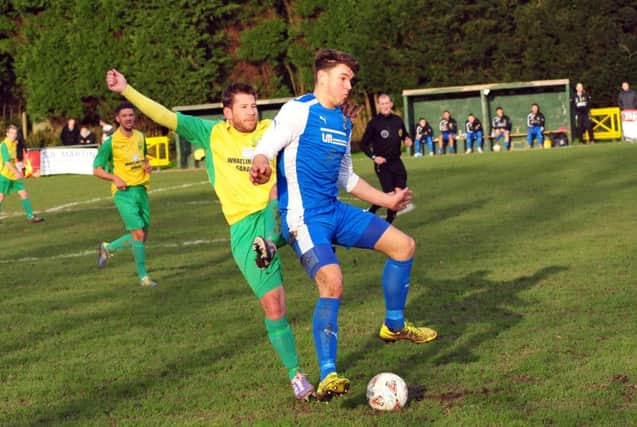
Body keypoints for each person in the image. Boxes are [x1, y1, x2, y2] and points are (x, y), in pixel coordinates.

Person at [104, 69, 315, 401]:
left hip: (279, 213)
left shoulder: (270, 131)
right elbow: (164, 115)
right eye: (244, 107)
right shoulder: (211, 134)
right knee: (274, 305)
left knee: (284, 198)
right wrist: (127, 89)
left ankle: (277, 240)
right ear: (227, 112)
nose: (252, 111)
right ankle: (296, 375)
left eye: (254, 105)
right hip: (245, 228)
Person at [250, 48, 437, 402]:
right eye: (344, 78)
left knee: (404, 246)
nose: (350, 85)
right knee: (333, 281)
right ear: (322, 77)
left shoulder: (343, 122)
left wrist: (388, 200)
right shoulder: (297, 111)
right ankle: (328, 375)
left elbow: (347, 178)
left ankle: (394, 325)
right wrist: (260, 162)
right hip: (304, 218)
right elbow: (266, 147)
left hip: (335, 211)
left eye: (352, 79)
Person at [93, 101, 156, 288]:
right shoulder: (111, 143)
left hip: (141, 190)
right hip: (123, 193)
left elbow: (143, 156)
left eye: (131, 115)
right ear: (117, 119)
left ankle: (108, 247)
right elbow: (96, 170)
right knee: (137, 233)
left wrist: (146, 164)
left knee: (142, 235)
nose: (129, 118)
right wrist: (114, 178)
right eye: (125, 116)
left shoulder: (140, 136)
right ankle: (144, 278)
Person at [360, 94, 413, 224]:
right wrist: (374, 157)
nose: (384, 106)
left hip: (397, 162)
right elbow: (363, 144)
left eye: (386, 103)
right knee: (389, 196)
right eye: (382, 104)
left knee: (399, 194)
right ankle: (377, 216)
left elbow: (404, 135)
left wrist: (407, 139)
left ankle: (386, 221)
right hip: (383, 164)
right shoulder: (374, 123)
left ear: (391, 104)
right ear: (378, 106)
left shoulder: (397, 120)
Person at [0, 125, 44, 223]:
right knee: (1, 196)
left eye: (15, 133)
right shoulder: (4, 145)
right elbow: (7, 162)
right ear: (7, 134)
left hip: (14, 175)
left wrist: (20, 168)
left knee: (23, 194)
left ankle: (30, 217)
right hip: (4, 175)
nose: (13, 135)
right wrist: (16, 172)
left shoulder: (14, 144)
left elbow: (14, 159)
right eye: (11, 133)